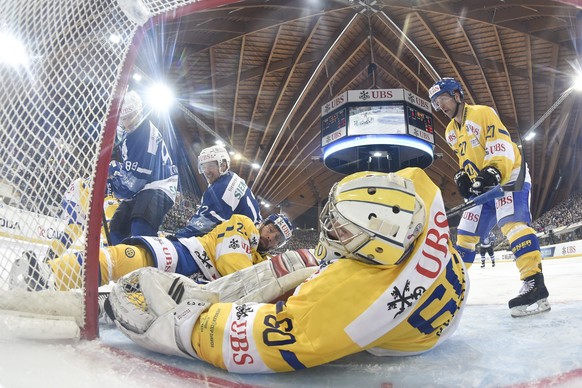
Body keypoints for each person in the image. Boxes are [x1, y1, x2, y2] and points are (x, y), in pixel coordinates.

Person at [106, 167, 470, 373]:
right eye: (274, 229)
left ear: (372, 247)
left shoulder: (349, 298)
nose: (330, 229)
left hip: (400, 329)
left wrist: (186, 325)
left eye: (341, 229)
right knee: (301, 264)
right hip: (437, 305)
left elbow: (271, 338)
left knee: (297, 269)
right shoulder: (417, 191)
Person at [428, 77, 549, 317]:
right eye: (436, 102)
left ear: (457, 95)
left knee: (512, 225)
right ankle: (453, 287)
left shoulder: (483, 113)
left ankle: (535, 285)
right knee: (465, 234)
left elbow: (500, 144)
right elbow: (467, 158)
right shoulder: (450, 131)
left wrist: (493, 170)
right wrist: (463, 175)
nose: (440, 105)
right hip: (483, 184)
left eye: (442, 98)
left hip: (508, 175)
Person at [11, 213, 294, 292]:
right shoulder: (244, 224)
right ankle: (49, 277)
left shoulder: (261, 261)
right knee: (124, 258)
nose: (270, 237)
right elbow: (231, 262)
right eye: (271, 229)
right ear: (264, 223)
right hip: (187, 256)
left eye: (277, 238)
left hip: (194, 288)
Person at [107, 90, 179, 244]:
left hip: (160, 184)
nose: (128, 122)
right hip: (143, 185)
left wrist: (112, 175)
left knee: (140, 225)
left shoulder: (145, 135)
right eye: (124, 118)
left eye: (131, 116)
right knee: (116, 226)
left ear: (139, 111)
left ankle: (148, 264)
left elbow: (132, 184)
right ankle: (123, 262)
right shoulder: (129, 132)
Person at [175, 145, 261, 238]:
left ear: (223, 166)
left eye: (211, 166)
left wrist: (177, 237)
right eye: (203, 166)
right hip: (251, 234)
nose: (206, 171)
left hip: (246, 240)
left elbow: (202, 225)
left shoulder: (222, 189)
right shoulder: (231, 178)